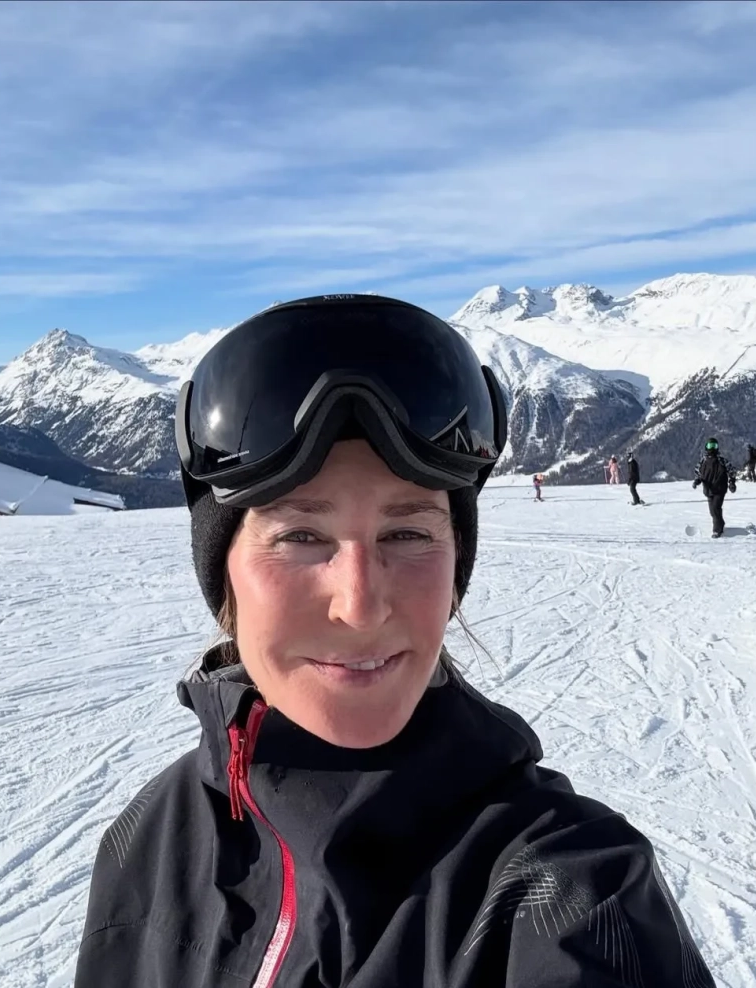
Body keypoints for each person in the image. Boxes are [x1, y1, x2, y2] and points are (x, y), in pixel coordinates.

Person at [75, 294, 716, 987]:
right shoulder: (150, 837)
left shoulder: (573, 896)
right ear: (221, 569)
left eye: (407, 533)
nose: (359, 606)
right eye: (300, 536)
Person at [693, 437, 737, 538]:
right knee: (712, 511)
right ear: (706, 447)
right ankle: (721, 524)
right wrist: (696, 481)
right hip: (708, 490)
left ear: (717, 447)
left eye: (714, 446)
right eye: (710, 446)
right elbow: (698, 473)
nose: (712, 448)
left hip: (720, 489)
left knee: (716, 508)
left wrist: (732, 483)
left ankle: (717, 530)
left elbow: (732, 471)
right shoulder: (703, 461)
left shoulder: (722, 460)